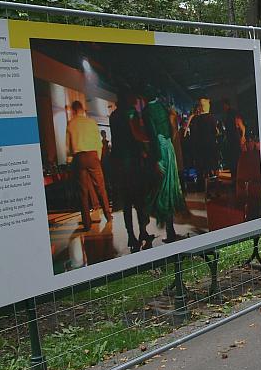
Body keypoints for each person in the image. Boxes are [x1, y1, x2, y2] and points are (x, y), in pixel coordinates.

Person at [109, 93, 153, 252]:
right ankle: (143, 232)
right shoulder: (131, 113)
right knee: (140, 200)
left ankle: (131, 236)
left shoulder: (113, 115)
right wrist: (150, 141)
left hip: (119, 164)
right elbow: (136, 136)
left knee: (126, 202)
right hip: (133, 164)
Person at [143, 87, 186, 243]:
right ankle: (170, 230)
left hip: (160, 150)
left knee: (160, 192)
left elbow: (153, 137)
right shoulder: (162, 106)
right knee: (169, 188)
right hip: (169, 149)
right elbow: (171, 130)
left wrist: (156, 159)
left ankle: (160, 228)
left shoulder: (147, 111)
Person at [66, 100, 112, 231]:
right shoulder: (91, 122)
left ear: (73, 111)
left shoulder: (71, 123)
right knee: (100, 187)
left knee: (83, 191)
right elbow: (98, 142)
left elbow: (68, 147)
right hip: (92, 155)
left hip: (79, 157)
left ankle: (87, 223)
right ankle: (108, 216)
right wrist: (97, 157)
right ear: (82, 110)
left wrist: (70, 161)